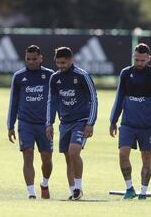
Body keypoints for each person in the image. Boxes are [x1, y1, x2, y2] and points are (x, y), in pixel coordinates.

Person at [109, 43, 151, 200]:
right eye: (136, 60)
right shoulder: (126, 73)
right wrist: (113, 120)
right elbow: (119, 96)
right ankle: (129, 188)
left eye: (142, 60)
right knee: (122, 154)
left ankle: (143, 192)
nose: (139, 63)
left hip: (147, 126)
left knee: (146, 158)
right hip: (128, 124)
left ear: (148, 59)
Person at [46, 47, 98, 200]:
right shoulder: (55, 78)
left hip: (81, 122)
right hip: (65, 122)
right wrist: (49, 123)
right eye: (58, 63)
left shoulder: (82, 76)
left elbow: (94, 99)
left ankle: (79, 187)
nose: (61, 66)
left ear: (71, 60)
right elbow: (52, 101)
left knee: (74, 152)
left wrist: (90, 123)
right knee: (68, 157)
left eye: (64, 62)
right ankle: (73, 192)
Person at [7, 45, 54, 199]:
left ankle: (45, 183)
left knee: (46, 160)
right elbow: (13, 102)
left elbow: (55, 100)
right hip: (25, 123)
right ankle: (31, 193)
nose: (31, 62)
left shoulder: (50, 75)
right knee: (28, 155)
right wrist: (10, 125)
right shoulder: (19, 76)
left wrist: (52, 121)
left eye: (34, 59)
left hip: (44, 124)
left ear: (41, 58)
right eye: (28, 59)